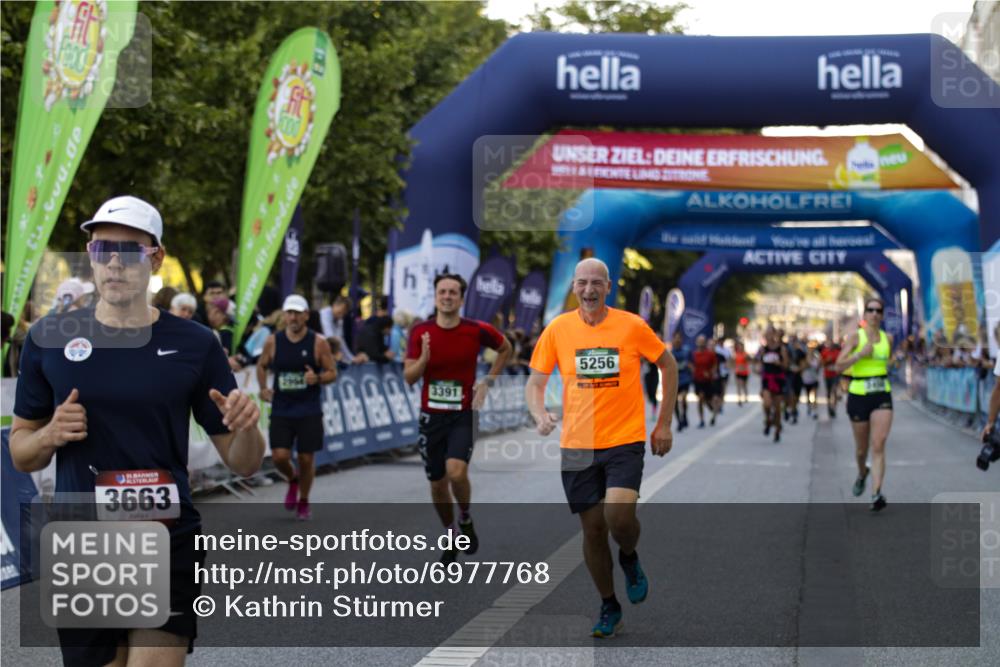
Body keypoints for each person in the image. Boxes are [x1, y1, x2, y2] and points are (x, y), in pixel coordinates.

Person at [10, 194, 265, 667]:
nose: (113, 263)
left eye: (129, 251)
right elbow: (21, 452)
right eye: (102, 248)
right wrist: (49, 436)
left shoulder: (194, 343)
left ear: (156, 258)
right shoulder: (49, 338)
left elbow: (246, 460)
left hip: (165, 536)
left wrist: (246, 427)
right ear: (90, 254)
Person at [525, 258, 677, 639]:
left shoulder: (631, 325)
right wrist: (539, 412)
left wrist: (664, 423)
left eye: (596, 283)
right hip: (577, 445)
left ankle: (628, 556)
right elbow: (535, 382)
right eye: (582, 283)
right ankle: (609, 603)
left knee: (618, 518)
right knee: (592, 531)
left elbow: (668, 365)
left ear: (609, 286)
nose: (589, 290)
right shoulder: (558, 329)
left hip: (624, 439)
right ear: (574, 287)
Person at [404, 274, 512, 564]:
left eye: (453, 292)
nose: (447, 296)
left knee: (456, 472)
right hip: (431, 417)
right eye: (442, 291)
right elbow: (409, 377)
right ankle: (451, 532)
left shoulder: (476, 330)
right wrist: (423, 360)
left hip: (462, 414)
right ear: (436, 296)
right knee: (438, 484)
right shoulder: (420, 332)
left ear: (461, 298)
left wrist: (488, 381)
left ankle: (464, 516)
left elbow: (506, 348)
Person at [256, 294, 337, 520]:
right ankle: (292, 479)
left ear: (306, 316)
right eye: (289, 312)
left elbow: (332, 372)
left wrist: (318, 379)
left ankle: (304, 499)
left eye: (297, 313)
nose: (292, 317)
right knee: (280, 456)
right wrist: (263, 388)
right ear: (284, 315)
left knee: (306, 458)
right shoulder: (273, 341)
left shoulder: (318, 342)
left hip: (308, 408)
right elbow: (261, 365)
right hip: (282, 407)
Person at [836, 297, 893, 512]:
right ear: (865, 314)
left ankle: (876, 493)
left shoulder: (888, 337)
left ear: (882, 314)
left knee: (878, 444)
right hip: (859, 394)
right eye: (871, 310)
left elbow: (889, 360)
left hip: (881, 394)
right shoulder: (855, 337)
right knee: (862, 449)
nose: (875, 314)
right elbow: (838, 365)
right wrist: (859, 354)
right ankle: (862, 473)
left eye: (879, 310)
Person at [757, 326, 789, 443]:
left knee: (777, 408)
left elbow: (786, 366)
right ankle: (768, 420)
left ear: (775, 335)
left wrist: (779, 363)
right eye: (766, 334)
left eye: (770, 334)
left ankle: (777, 430)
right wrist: (758, 368)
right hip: (767, 379)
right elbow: (759, 363)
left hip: (778, 378)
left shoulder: (782, 349)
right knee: (767, 404)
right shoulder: (763, 349)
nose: (768, 336)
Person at [318, 295, 359, 362]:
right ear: (335, 305)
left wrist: (351, 358)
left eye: (344, 313)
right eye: (341, 311)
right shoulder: (325, 313)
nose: (342, 315)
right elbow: (329, 337)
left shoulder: (339, 319)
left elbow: (341, 340)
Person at [691, 334, 719, 428]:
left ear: (705, 343)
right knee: (700, 399)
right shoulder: (694, 354)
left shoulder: (710, 354)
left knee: (708, 400)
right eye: (699, 341)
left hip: (708, 380)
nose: (701, 343)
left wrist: (711, 373)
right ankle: (702, 420)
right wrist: (692, 370)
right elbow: (690, 364)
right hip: (697, 380)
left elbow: (715, 365)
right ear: (696, 342)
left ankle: (714, 412)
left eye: (702, 341)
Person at [670, 331, 693, 431]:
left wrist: (691, 369)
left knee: (683, 398)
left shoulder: (686, 351)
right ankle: (679, 420)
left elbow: (692, 364)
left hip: (685, 379)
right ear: (673, 340)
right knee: (674, 402)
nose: (677, 340)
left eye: (679, 338)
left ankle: (684, 415)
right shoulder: (669, 353)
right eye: (676, 338)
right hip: (674, 380)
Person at [820, 338, 842, 418]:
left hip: (835, 375)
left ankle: (834, 408)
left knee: (834, 390)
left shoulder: (838, 352)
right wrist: (827, 361)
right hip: (827, 375)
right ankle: (829, 407)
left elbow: (841, 362)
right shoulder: (825, 352)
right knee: (829, 392)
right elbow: (821, 363)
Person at [801, 343, 821, 420]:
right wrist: (807, 364)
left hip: (814, 379)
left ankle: (814, 411)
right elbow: (802, 368)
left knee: (814, 395)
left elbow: (819, 368)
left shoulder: (817, 357)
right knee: (808, 396)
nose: (811, 350)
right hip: (806, 379)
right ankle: (809, 406)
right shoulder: (804, 358)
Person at [713, 337, 731, 414]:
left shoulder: (727, 350)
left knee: (723, 389)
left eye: (722, 341)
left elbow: (729, 359)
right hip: (717, 372)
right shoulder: (716, 349)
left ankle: (720, 405)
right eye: (720, 341)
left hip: (725, 372)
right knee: (717, 390)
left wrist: (728, 365)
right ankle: (717, 405)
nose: (721, 342)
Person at [732, 340, 751, 406]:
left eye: (741, 346)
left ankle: (746, 397)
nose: (740, 348)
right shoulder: (736, 354)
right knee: (739, 385)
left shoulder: (745, 354)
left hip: (745, 372)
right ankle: (739, 399)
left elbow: (749, 361)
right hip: (738, 372)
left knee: (744, 385)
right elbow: (733, 362)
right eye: (739, 346)